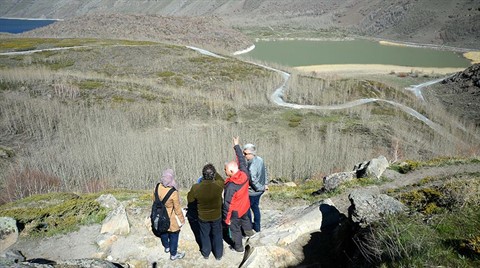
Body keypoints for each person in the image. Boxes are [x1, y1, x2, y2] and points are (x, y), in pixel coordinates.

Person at [223, 136, 255, 253]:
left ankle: (239, 247)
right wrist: (236, 146)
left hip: (235, 211)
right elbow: (241, 160)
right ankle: (250, 234)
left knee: (235, 229)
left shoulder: (231, 186)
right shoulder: (244, 173)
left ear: (231, 171)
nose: (224, 172)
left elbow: (228, 204)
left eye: (225, 170)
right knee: (246, 220)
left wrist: (227, 220)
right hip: (245, 205)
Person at [187, 164, 224, 260]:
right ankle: (218, 255)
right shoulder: (219, 185)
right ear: (214, 174)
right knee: (217, 234)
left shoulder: (196, 187)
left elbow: (190, 200)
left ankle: (206, 253)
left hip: (203, 216)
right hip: (217, 215)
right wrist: (213, 171)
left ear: (203, 175)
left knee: (204, 234)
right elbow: (220, 178)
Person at [154, 168, 186, 261]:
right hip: (170, 217)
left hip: (160, 215)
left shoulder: (157, 187)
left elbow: (155, 201)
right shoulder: (173, 192)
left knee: (163, 231)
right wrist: (181, 219)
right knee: (174, 234)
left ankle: (166, 247)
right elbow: (177, 209)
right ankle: (173, 254)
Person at [243, 143, 268, 233]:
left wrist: (257, 188)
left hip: (253, 191)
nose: (244, 155)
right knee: (256, 208)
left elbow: (252, 179)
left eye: (246, 154)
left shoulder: (252, 165)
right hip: (260, 189)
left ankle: (250, 227)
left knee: (247, 209)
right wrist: (265, 184)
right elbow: (265, 171)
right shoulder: (260, 159)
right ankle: (257, 227)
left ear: (252, 154)